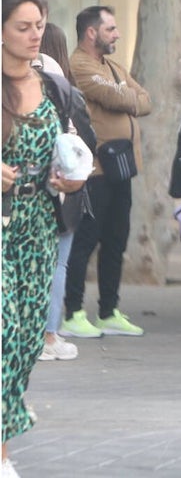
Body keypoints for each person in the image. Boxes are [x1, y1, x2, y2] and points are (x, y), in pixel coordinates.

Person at [2, 0, 88, 478]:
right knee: (3, 331)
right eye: (23, 26)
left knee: (28, 339)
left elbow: (71, 146)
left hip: (38, 226)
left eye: (39, 25)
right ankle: (2, 453)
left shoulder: (52, 83)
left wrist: (69, 176)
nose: (35, 35)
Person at [60, 5, 152, 339]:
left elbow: (145, 99)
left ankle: (109, 311)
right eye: (110, 29)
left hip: (122, 168)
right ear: (91, 33)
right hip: (96, 170)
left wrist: (129, 96)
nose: (116, 34)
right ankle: (73, 313)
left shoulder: (111, 65)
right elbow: (113, 96)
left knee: (116, 239)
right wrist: (128, 96)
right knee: (86, 240)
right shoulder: (80, 66)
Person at [36, 21, 95, 363]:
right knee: (57, 263)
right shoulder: (62, 85)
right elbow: (85, 144)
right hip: (61, 190)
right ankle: (48, 334)